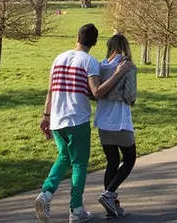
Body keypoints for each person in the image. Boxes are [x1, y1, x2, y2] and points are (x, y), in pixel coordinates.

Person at [35, 24, 133, 223]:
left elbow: (50, 91)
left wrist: (46, 116)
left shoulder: (59, 58)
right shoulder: (90, 62)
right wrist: (118, 73)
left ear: (76, 37)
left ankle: (46, 194)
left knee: (63, 157)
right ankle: (76, 209)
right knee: (79, 163)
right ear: (95, 42)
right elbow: (96, 92)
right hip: (76, 119)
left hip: (56, 119)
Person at [96, 34, 139, 220]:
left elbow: (96, 92)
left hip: (102, 120)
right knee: (129, 159)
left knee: (112, 162)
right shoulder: (128, 66)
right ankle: (109, 194)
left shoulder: (100, 66)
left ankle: (110, 206)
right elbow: (130, 95)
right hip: (120, 120)